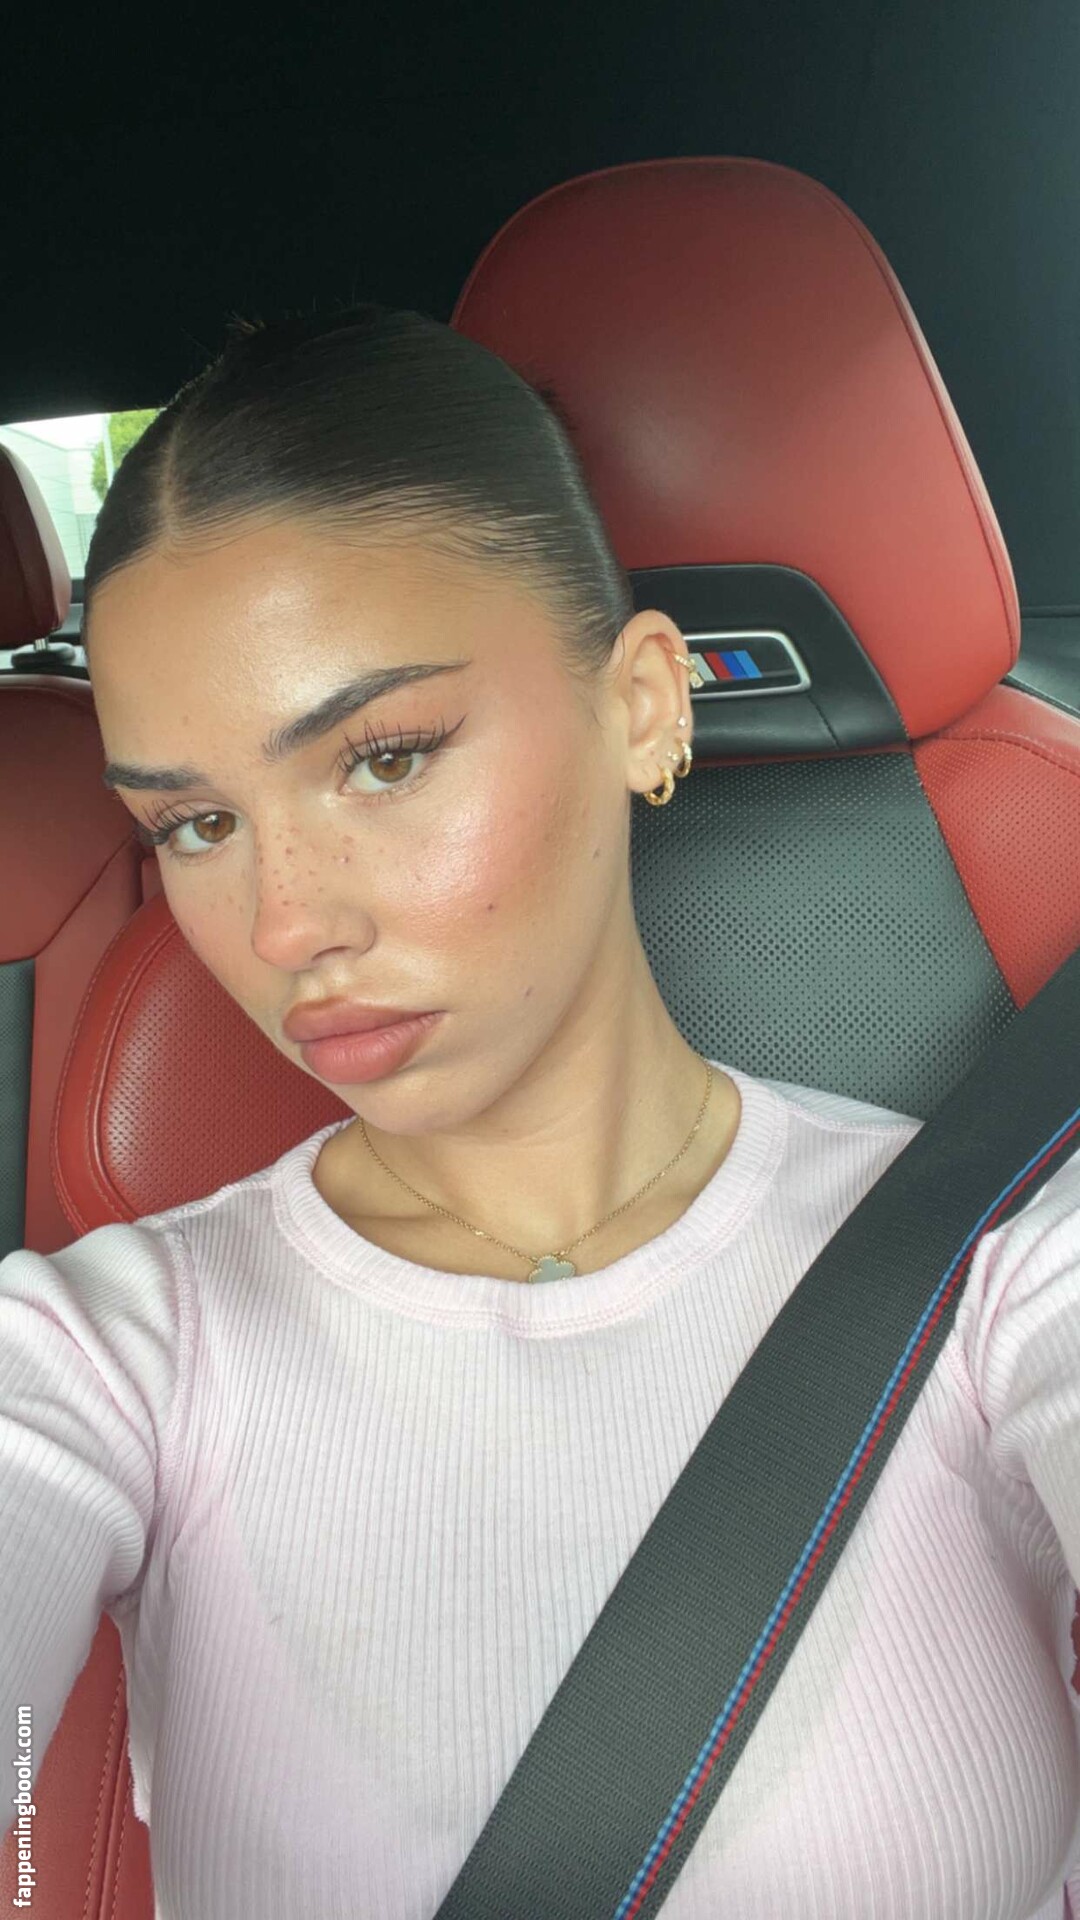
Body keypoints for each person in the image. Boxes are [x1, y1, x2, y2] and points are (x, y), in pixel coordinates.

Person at [1, 304, 1078, 1919]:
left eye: (384, 758)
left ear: (643, 705)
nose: (287, 926)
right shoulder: (108, 1357)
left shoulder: (1004, 1274)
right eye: (199, 825)